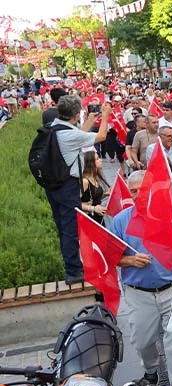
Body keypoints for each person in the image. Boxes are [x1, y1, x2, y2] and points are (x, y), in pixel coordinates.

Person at [109, 171, 172, 386]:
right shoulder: (121, 221)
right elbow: (110, 255)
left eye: (142, 190)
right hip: (139, 295)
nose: (138, 195)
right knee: (143, 341)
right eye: (133, 191)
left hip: (171, 291)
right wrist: (130, 260)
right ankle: (151, 371)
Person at [46, 95, 111, 285]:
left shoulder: (53, 127)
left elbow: (78, 138)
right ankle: (74, 271)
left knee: (63, 226)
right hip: (67, 186)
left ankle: (72, 265)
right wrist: (105, 116)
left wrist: (90, 121)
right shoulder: (69, 134)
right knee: (70, 229)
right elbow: (101, 137)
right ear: (76, 114)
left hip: (53, 184)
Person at [79, 151, 109, 225]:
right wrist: (93, 208)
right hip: (89, 219)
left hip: (98, 217)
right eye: (97, 159)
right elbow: (75, 203)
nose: (101, 160)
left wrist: (105, 194)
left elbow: (92, 198)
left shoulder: (95, 177)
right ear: (91, 163)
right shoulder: (85, 181)